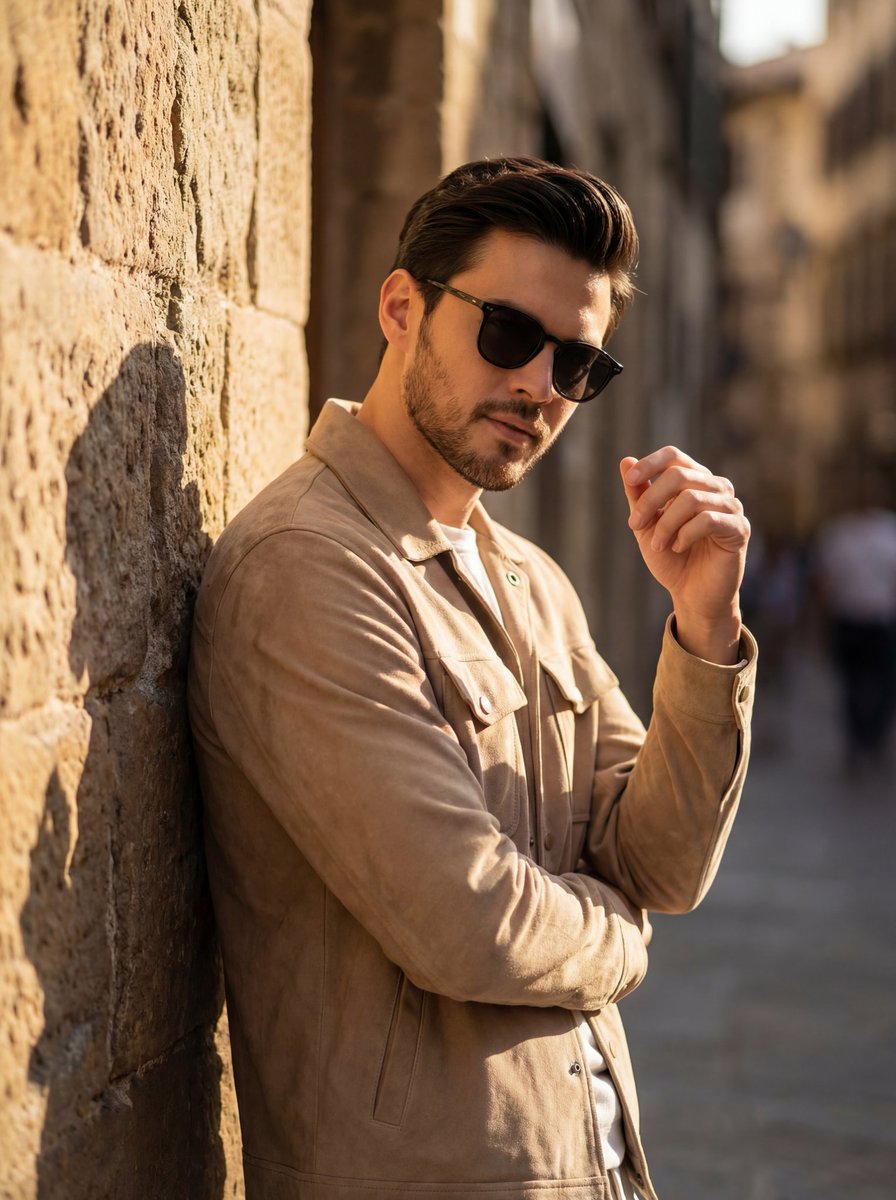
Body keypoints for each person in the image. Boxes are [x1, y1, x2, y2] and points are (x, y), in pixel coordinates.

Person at [188, 156, 756, 1200]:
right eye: (507, 333)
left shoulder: (533, 581)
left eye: (577, 363)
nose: (540, 384)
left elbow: (664, 864)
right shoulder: (307, 564)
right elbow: (469, 924)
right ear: (401, 307)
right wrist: (620, 939)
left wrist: (705, 625)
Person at [814, 475, 896, 776]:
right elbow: (826, 583)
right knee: (853, 685)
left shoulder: (888, 530)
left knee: (883, 685)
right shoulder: (840, 534)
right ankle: (859, 742)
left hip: (880, 620)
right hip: (852, 619)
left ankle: (870, 739)